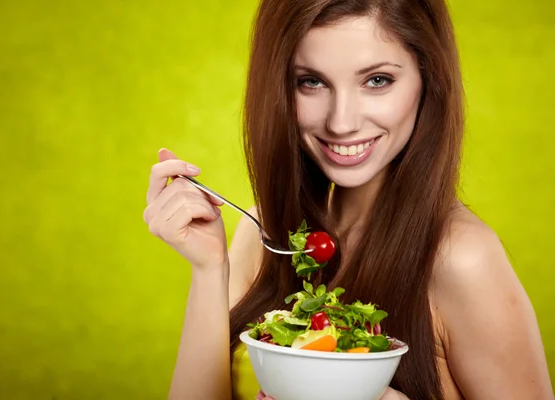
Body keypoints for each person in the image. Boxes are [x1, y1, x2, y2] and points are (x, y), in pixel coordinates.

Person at [143, 0, 553, 399]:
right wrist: (208, 268)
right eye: (311, 82)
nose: (341, 122)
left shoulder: (462, 258)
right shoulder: (265, 232)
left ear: (428, 79)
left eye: (377, 80)